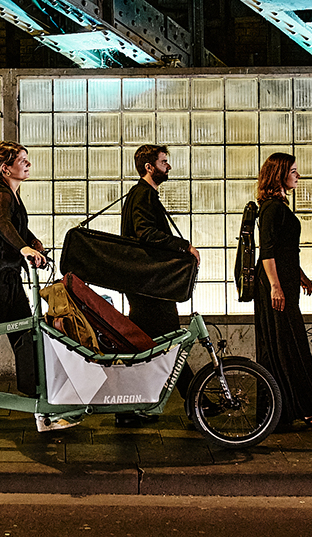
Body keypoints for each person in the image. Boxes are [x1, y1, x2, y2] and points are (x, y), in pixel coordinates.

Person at [0, 141, 77, 435]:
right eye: (22, 160)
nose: (28, 164)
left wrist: (32, 242)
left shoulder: (10, 193)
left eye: (26, 160)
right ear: (6, 167)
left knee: (27, 339)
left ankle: (43, 413)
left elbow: (16, 226)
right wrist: (23, 248)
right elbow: (2, 225)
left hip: (7, 278)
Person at [115, 144, 199, 427]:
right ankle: (195, 403)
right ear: (149, 167)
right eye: (164, 162)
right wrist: (183, 246)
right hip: (149, 286)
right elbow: (145, 233)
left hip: (145, 284)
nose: (169, 166)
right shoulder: (143, 195)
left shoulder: (143, 194)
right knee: (169, 342)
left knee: (150, 348)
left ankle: (129, 408)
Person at [252, 152, 312, 430]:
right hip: (275, 285)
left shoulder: (278, 206)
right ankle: (291, 408)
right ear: (280, 174)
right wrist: (276, 286)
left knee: (285, 343)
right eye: (293, 171)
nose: (298, 176)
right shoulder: (272, 208)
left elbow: (285, 250)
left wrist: (300, 276)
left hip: (284, 281)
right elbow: (268, 252)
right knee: (284, 345)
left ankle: (284, 410)